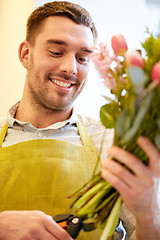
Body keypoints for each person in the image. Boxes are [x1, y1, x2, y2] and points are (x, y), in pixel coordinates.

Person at [0, 1, 159, 240]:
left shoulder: (116, 144)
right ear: (25, 54)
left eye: (83, 58)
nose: (70, 68)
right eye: (56, 52)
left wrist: (149, 214)